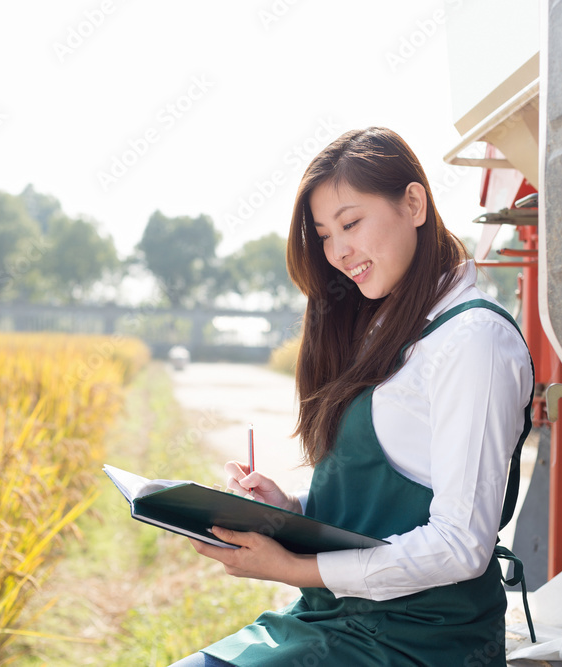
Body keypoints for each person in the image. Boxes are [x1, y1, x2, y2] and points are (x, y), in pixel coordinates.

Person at [170, 127, 535, 667]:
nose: (338, 252)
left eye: (351, 223)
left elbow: (461, 544)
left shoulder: (473, 339)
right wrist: (290, 512)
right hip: (331, 622)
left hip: (420, 642)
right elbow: (380, 505)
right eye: (323, 234)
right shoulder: (383, 329)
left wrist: (291, 567)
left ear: (413, 203)